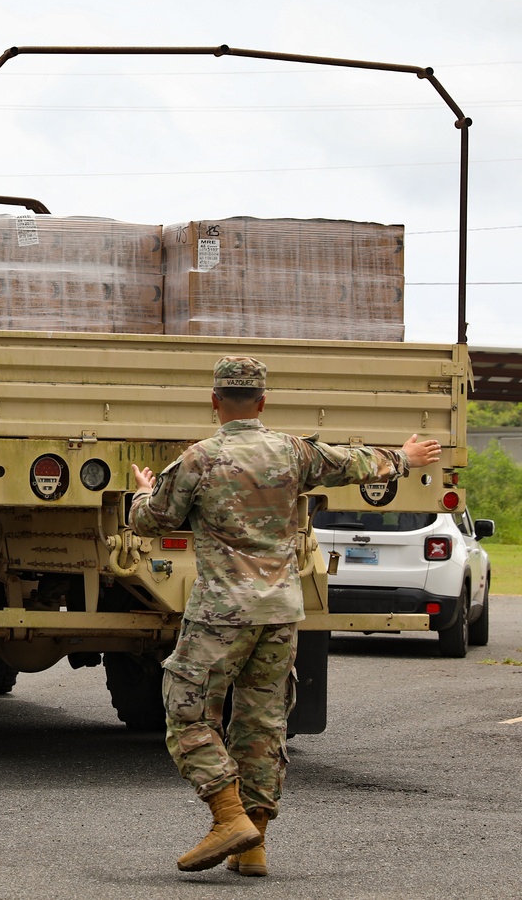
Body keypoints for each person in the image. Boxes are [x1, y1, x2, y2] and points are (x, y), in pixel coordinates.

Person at [128, 355, 441, 876]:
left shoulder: (198, 460)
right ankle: (254, 847)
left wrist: (143, 488)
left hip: (221, 614)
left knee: (186, 713)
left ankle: (229, 819)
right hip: (279, 611)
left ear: (214, 402)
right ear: (262, 401)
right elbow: (353, 462)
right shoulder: (292, 451)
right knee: (261, 724)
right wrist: (404, 456)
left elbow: (151, 518)